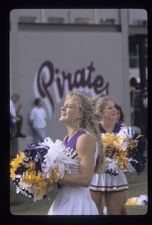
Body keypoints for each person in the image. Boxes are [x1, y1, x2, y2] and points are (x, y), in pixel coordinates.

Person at [48, 92, 105, 215]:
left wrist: (52, 175)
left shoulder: (84, 138)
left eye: (68, 106)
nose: (62, 108)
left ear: (79, 113)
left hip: (78, 204)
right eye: (63, 105)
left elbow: (85, 179)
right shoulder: (66, 139)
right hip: (64, 198)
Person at [89, 96, 131, 215]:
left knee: (115, 213)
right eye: (110, 108)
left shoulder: (124, 130)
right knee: (94, 213)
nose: (115, 110)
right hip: (96, 175)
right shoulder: (93, 130)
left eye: (115, 107)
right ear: (101, 113)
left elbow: (129, 155)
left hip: (116, 175)